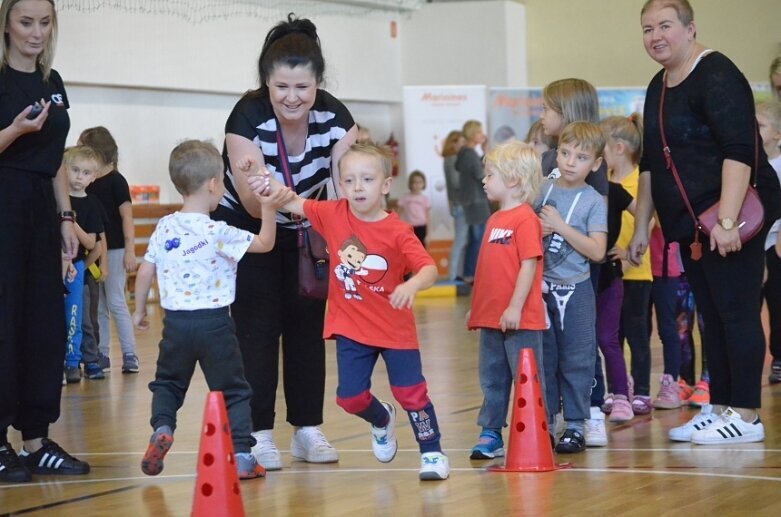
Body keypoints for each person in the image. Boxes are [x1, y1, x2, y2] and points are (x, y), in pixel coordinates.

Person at [248, 143, 450, 480]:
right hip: (352, 328)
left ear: (385, 184)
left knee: (409, 393)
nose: (358, 187)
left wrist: (411, 285)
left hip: (394, 330)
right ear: (340, 184)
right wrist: (260, 178)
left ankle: (432, 453)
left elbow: (428, 268)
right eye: (349, 180)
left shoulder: (398, 231)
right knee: (350, 398)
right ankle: (381, 419)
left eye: (367, 179)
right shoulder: (332, 213)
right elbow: (291, 200)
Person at [629, 0, 781, 445]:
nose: (655, 35)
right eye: (647, 28)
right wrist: (642, 226)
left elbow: (740, 149)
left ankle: (747, 416)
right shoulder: (658, 85)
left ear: (690, 28)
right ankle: (719, 409)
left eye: (665, 25)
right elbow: (652, 163)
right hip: (692, 225)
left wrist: (730, 220)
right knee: (711, 317)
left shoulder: (717, 74)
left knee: (736, 313)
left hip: (734, 215)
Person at [212, 14, 357, 470]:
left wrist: (343, 240)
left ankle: (308, 429)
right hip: (254, 229)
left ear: (318, 84)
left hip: (305, 227)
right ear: (266, 85)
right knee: (256, 331)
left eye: (302, 88)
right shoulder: (245, 119)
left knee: (308, 328)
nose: (292, 98)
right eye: (281, 88)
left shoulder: (337, 119)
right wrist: (288, 202)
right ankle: (256, 435)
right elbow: (257, 208)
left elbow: (344, 188)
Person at [133, 140, 292, 480]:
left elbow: (145, 270)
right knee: (233, 390)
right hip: (216, 324)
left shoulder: (165, 227)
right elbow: (265, 244)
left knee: (168, 384)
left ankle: (162, 427)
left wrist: (138, 311)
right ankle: (244, 457)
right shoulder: (218, 231)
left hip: (175, 324)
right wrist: (267, 208)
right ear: (213, 184)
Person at [0, 0, 90, 483]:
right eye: (25, 22)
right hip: (3, 201)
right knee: (5, 318)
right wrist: (14, 130)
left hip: (41, 207)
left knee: (42, 319)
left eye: (44, 22)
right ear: (7, 25)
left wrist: (65, 218)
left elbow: (56, 158)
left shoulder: (53, 84)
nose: (35, 33)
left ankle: (35, 438)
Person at [539, 77, 610, 446]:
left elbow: (597, 251)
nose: (569, 162)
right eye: (566, 154)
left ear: (595, 162)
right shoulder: (543, 187)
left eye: (581, 158)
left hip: (577, 288)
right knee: (546, 357)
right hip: (543, 286)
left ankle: (580, 422)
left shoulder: (594, 199)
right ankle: (547, 422)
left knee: (579, 356)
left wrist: (559, 227)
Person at [466, 141, 546, 459]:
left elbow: (529, 263)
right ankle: (491, 432)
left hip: (519, 318)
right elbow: (489, 271)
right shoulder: (493, 220)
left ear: (512, 180)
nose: (484, 181)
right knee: (492, 377)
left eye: (490, 175)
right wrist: (479, 307)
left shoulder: (525, 219)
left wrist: (515, 306)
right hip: (491, 318)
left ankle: (539, 427)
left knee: (526, 375)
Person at [600, 114, 655, 416]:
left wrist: (627, 247)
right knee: (612, 335)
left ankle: (643, 392)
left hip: (637, 271)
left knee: (637, 333)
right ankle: (618, 389)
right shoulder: (603, 182)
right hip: (613, 274)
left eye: (602, 147)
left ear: (619, 148)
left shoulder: (639, 180)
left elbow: (649, 220)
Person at [80, 126, 139, 374]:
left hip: (114, 250)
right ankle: (103, 353)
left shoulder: (116, 181)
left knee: (115, 300)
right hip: (95, 251)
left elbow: (127, 217)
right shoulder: (89, 182)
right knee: (99, 305)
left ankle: (130, 354)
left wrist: (130, 249)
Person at [593, 119, 638, 423]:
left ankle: (621, 395)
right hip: (582, 278)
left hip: (609, 277)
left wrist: (633, 246)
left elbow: (647, 215)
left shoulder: (617, 191)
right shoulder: (580, 194)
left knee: (608, 339)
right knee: (586, 342)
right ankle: (595, 399)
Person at [62, 146, 105, 384]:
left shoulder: (92, 204)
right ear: (64, 170)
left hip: (76, 266)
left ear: (93, 177)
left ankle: (72, 362)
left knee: (74, 316)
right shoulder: (56, 197)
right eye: (75, 170)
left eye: (86, 172)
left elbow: (92, 242)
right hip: (53, 264)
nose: (79, 177)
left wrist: (70, 221)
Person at [758, 101, 781, 384]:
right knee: (751, 305)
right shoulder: (750, 163)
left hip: (775, 246)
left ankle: (779, 355)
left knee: (777, 304)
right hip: (755, 244)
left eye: (760, 126)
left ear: (777, 134)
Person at [455, 120, 490, 283]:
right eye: (479, 131)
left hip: (471, 202)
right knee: (477, 241)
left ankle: (470, 273)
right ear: (472, 134)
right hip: (476, 203)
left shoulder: (466, 153)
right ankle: (472, 274)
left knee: (473, 241)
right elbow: (481, 176)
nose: (482, 134)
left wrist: (483, 152)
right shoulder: (469, 154)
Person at [442, 130, 467, 281]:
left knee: (462, 241)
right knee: (460, 241)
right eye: (461, 143)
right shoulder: (452, 159)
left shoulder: (450, 159)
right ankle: (453, 276)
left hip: (458, 203)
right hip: (461, 203)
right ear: (454, 143)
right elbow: (456, 182)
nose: (464, 146)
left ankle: (457, 274)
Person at [397, 170, 431, 246]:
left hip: (422, 228)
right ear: (410, 183)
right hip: (409, 229)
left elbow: (428, 218)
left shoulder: (425, 199)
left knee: (421, 250)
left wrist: (428, 235)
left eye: (420, 182)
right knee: (410, 248)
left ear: (424, 183)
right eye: (415, 182)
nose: (417, 185)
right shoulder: (405, 198)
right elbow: (398, 215)